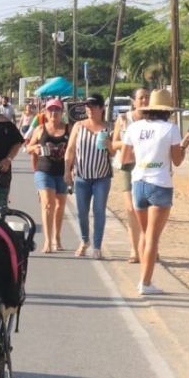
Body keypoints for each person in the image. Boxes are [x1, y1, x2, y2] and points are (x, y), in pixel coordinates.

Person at [121, 87, 185, 296]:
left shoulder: (135, 127)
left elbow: (124, 158)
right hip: (160, 183)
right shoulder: (171, 129)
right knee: (153, 237)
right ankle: (146, 283)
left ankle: (144, 278)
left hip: (138, 181)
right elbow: (177, 160)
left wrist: (144, 160)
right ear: (166, 110)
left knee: (144, 233)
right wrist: (182, 147)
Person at [63, 95, 114, 259]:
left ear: (101, 108)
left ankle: (97, 246)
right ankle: (85, 240)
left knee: (99, 211)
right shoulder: (79, 126)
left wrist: (109, 145)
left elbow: (115, 153)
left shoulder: (109, 127)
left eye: (93, 106)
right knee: (81, 212)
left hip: (102, 176)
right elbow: (70, 150)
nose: (89, 109)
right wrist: (67, 170)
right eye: (87, 106)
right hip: (82, 176)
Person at [25, 98, 70, 254]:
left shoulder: (68, 129)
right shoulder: (40, 129)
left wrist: (72, 169)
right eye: (50, 110)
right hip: (44, 170)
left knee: (60, 205)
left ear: (62, 112)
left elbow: (74, 150)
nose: (53, 113)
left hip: (63, 171)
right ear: (45, 112)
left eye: (57, 110)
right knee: (48, 204)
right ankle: (47, 241)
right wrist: (35, 147)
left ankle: (57, 238)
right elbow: (28, 147)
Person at [112, 87, 151, 263]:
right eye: (141, 98)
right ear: (133, 101)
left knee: (147, 209)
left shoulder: (154, 119)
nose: (144, 101)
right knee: (131, 208)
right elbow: (114, 144)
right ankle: (135, 250)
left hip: (148, 168)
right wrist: (130, 143)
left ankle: (149, 245)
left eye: (147, 98)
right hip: (127, 166)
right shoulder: (123, 119)